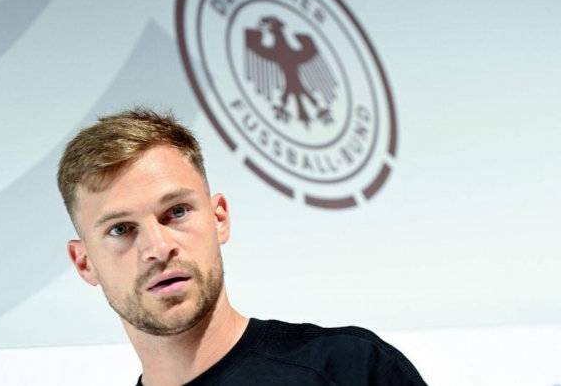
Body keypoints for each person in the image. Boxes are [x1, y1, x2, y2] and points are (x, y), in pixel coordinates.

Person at [57, 107, 426, 386]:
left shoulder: (348, 368)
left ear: (219, 218)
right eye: (121, 229)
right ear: (84, 263)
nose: (158, 247)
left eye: (177, 212)